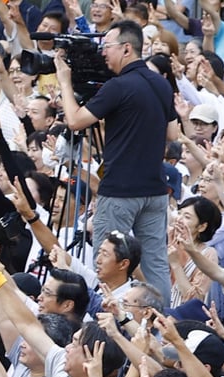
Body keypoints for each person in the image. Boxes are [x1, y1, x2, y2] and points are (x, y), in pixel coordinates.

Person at [53, 19, 179, 306]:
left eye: (106, 46)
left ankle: (112, 321)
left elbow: (74, 121)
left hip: (120, 192)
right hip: (155, 190)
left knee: (107, 262)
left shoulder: (118, 87)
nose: (102, 53)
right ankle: (159, 322)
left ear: (126, 48)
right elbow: (172, 133)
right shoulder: (160, 83)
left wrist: (64, 79)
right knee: (156, 262)